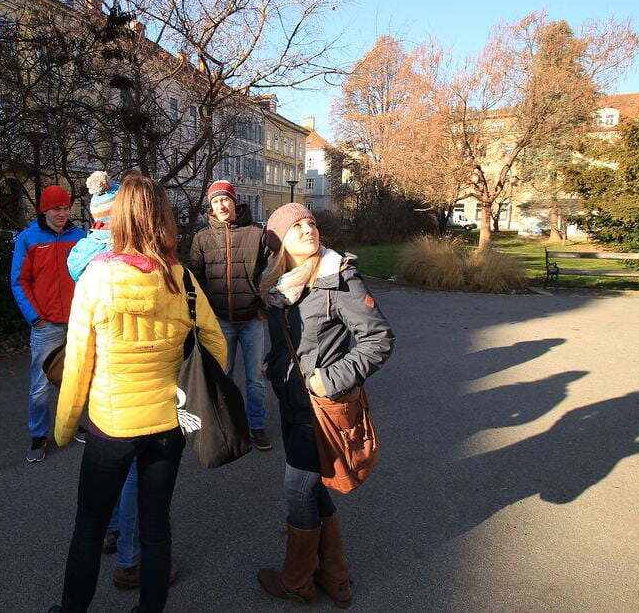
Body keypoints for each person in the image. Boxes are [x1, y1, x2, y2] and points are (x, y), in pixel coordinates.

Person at [49, 172, 226, 613]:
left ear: (118, 219)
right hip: (167, 425)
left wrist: (64, 429)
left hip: (111, 427)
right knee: (155, 527)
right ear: (164, 219)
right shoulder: (181, 279)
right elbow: (217, 348)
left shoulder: (95, 280)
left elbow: (78, 364)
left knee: (89, 527)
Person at [256, 203, 394, 608]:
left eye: (311, 223)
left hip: (320, 406)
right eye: (296, 226)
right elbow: (288, 341)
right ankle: (336, 578)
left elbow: (379, 340)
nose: (307, 229)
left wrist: (329, 380)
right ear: (280, 240)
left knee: (299, 489)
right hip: (291, 402)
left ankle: (297, 582)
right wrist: (272, 364)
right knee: (312, 486)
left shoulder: (338, 277)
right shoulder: (281, 284)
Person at [188, 180, 272, 451]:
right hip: (220, 321)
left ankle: (256, 425)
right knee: (223, 376)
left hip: (252, 320)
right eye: (215, 201)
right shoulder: (202, 238)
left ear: (234, 201)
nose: (221, 205)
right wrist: (204, 314)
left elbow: (270, 272)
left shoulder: (256, 233)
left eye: (225, 199)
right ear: (210, 207)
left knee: (255, 380)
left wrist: (263, 304)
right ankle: (228, 424)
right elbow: (195, 280)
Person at [10, 185, 86, 463]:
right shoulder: (28, 238)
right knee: (41, 383)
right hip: (47, 325)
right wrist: (36, 319)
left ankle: (71, 424)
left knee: (75, 378)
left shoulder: (80, 236)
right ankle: (38, 435)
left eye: (65, 208)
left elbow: (90, 275)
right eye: (56, 209)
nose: (62, 214)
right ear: (44, 210)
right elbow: (19, 282)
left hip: (78, 321)